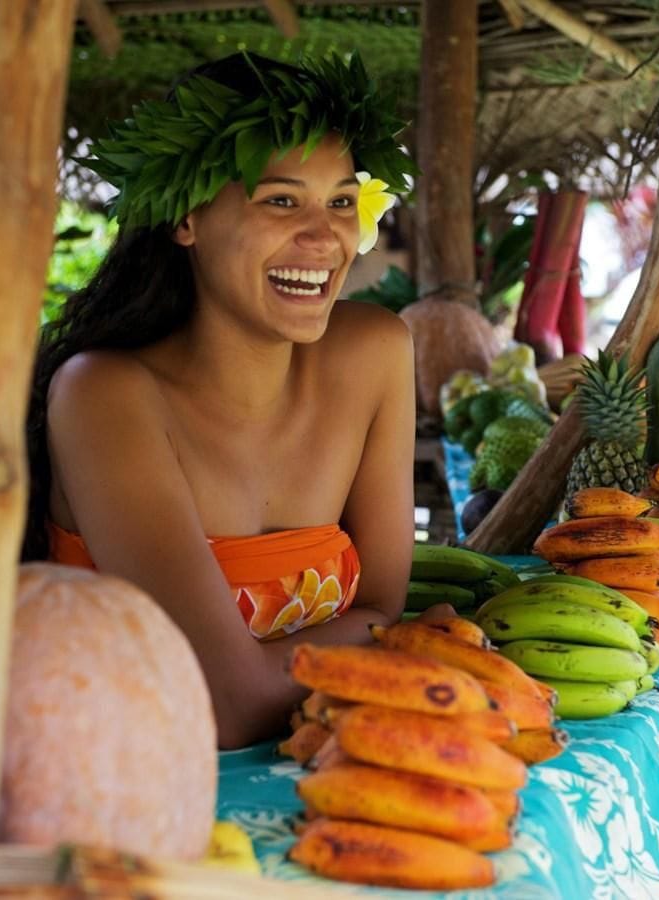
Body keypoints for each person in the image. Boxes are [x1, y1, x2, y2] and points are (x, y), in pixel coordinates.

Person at [23, 50, 450, 749]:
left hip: (321, 784)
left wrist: (353, 639)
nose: (323, 237)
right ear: (187, 218)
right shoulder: (106, 395)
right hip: (115, 795)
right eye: (281, 200)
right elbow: (223, 704)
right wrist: (370, 642)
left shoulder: (373, 352)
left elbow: (383, 605)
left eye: (340, 201)